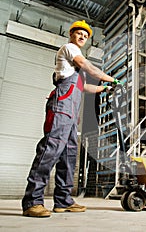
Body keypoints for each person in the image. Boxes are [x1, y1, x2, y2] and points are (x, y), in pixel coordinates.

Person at [22, 20, 119, 218]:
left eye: (86, 35)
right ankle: (32, 201)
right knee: (50, 149)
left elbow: (87, 88)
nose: (83, 36)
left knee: (69, 156)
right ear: (72, 34)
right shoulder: (69, 49)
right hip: (60, 109)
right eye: (79, 33)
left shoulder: (75, 71)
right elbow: (89, 67)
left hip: (71, 115)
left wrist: (107, 88)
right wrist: (110, 78)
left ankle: (63, 201)